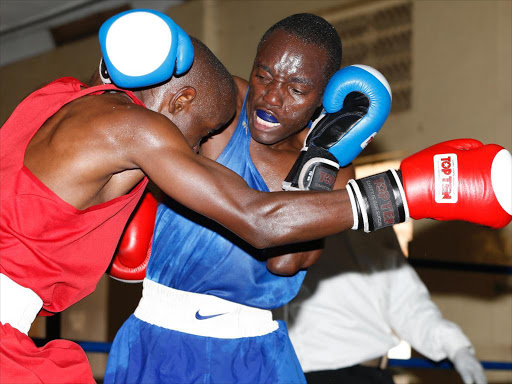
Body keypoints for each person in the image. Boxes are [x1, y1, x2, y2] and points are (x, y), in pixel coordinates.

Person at [103, 13, 510, 384]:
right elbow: (153, 69)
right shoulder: (222, 107)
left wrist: (319, 159)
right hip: (162, 342)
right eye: (264, 76)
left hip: (258, 352)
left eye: (296, 89)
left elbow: (286, 261)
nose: (271, 98)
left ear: (321, 97)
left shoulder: (333, 165)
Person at [285, 228, 487, 384]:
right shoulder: (276, 213)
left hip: (364, 374)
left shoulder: (369, 218)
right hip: (302, 370)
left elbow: (406, 303)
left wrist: (457, 347)